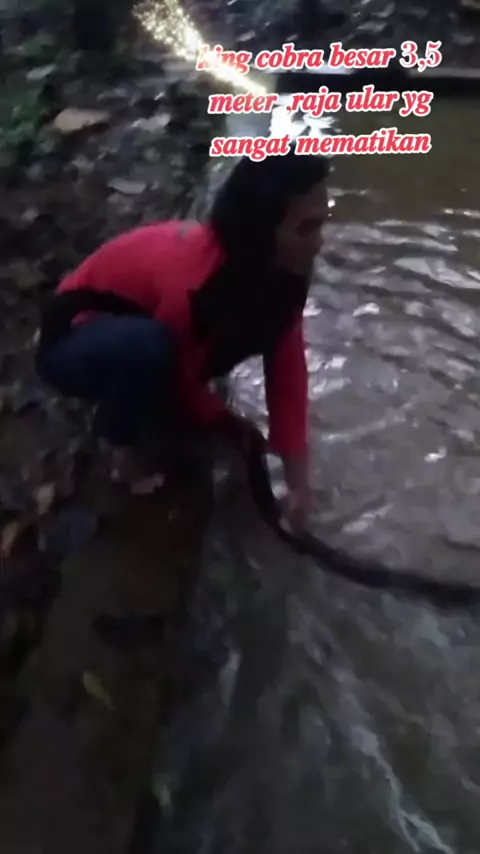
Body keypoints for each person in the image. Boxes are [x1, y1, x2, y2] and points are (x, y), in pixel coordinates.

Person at [36, 150, 329, 528]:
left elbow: (288, 374)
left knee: (170, 356)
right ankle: (118, 448)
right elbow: (180, 371)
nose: (319, 243)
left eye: (321, 224)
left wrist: (297, 482)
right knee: (151, 349)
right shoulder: (195, 283)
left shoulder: (284, 276)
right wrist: (224, 421)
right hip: (71, 337)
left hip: (146, 331)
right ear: (259, 234)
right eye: (306, 229)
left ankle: (144, 402)